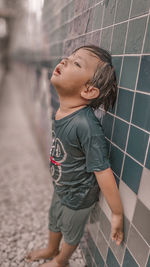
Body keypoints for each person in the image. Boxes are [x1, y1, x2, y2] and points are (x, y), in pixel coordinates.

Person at [26, 45, 124, 267]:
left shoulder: (85, 125)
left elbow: (102, 170)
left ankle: (61, 259)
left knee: (71, 231)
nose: (64, 61)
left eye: (76, 63)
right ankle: (52, 248)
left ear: (88, 91)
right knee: (54, 219)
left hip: (79, 195)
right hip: (62, 186)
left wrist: (117, 213)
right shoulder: (64, 110)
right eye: (69, 58)